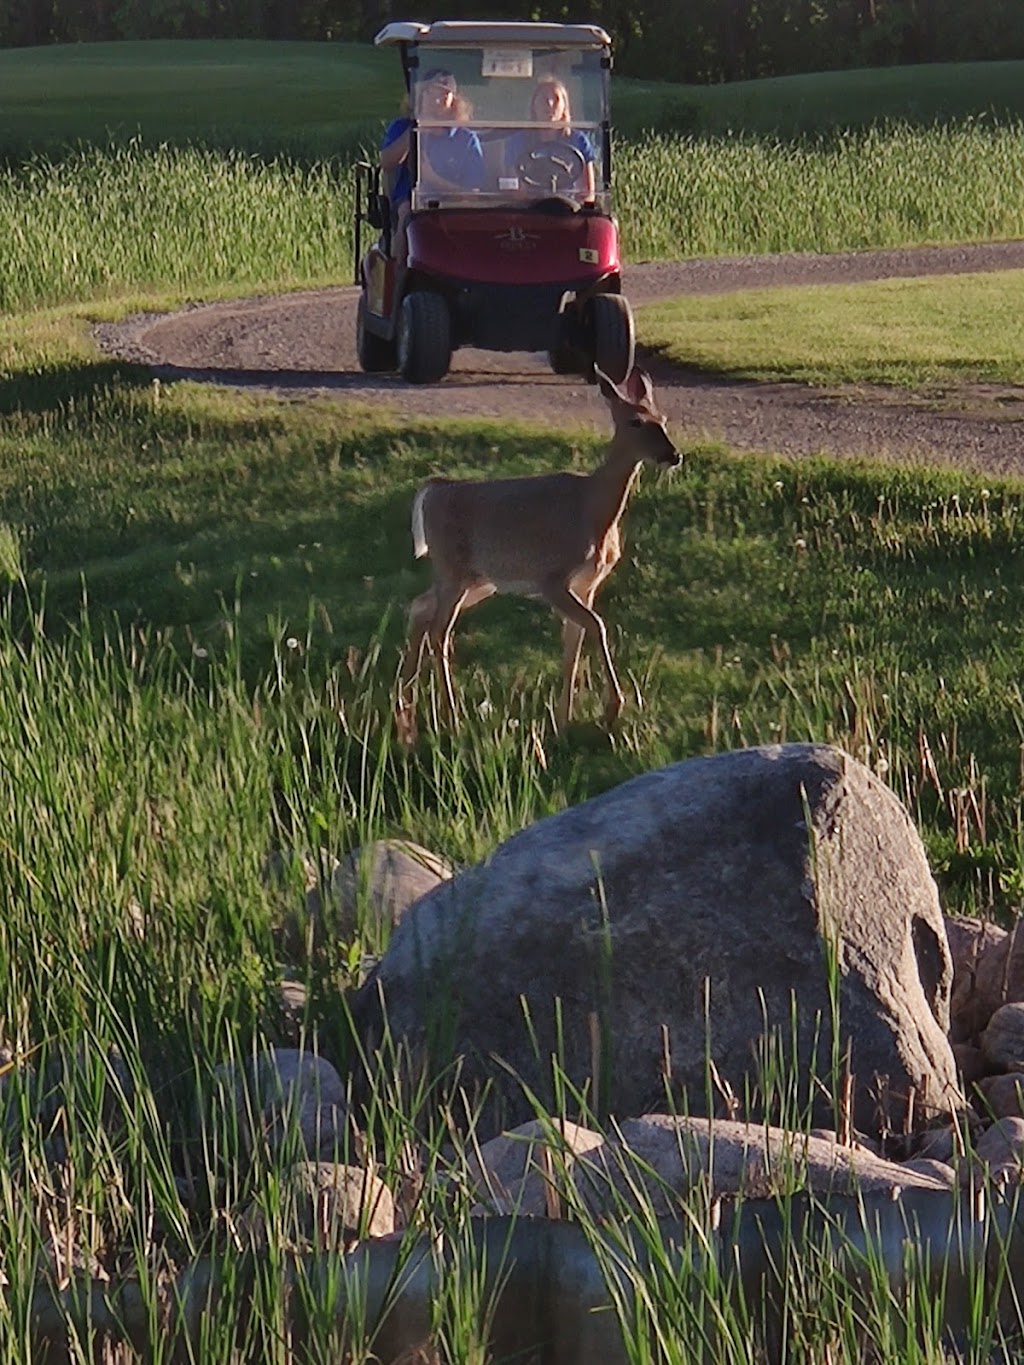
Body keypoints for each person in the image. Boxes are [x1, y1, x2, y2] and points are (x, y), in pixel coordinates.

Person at [379, 68, 484, 264]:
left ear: (454, 98)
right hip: (414, 200)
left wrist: (433, 178)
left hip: (453, 202)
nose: (438, 99)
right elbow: (387, 162)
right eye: (431, 92)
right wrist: (417, 127)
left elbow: (473, 193)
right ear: (421, 95)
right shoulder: (403, 127)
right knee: (407, 215)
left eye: (445, 93)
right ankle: (402, 276)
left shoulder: (466, 139)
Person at [506, 78, 596, 201]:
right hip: (529, 209)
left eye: (556, 99)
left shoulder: (578, 141)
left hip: (568, 209)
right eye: (544, 99)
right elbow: (513, 188)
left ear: (565, 107)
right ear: (534, 105)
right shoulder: (518, 141)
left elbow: (588, 192)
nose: (549, 103)